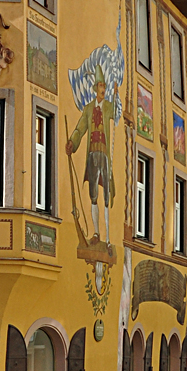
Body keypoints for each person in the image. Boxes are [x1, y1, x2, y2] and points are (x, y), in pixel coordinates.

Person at [66, 65, 119, 245]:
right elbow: (81, 128)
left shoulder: (108, 106)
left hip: (104, 155)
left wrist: (117, 97)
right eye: (100, 86)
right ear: (95, 89)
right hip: (92, 153)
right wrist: (72, 143)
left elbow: (118, 114)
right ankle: (97, 233)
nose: (103, 89)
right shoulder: (89, 109)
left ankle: (108, 236)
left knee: (106, 194)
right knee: (93, 193)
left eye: (104, 86)